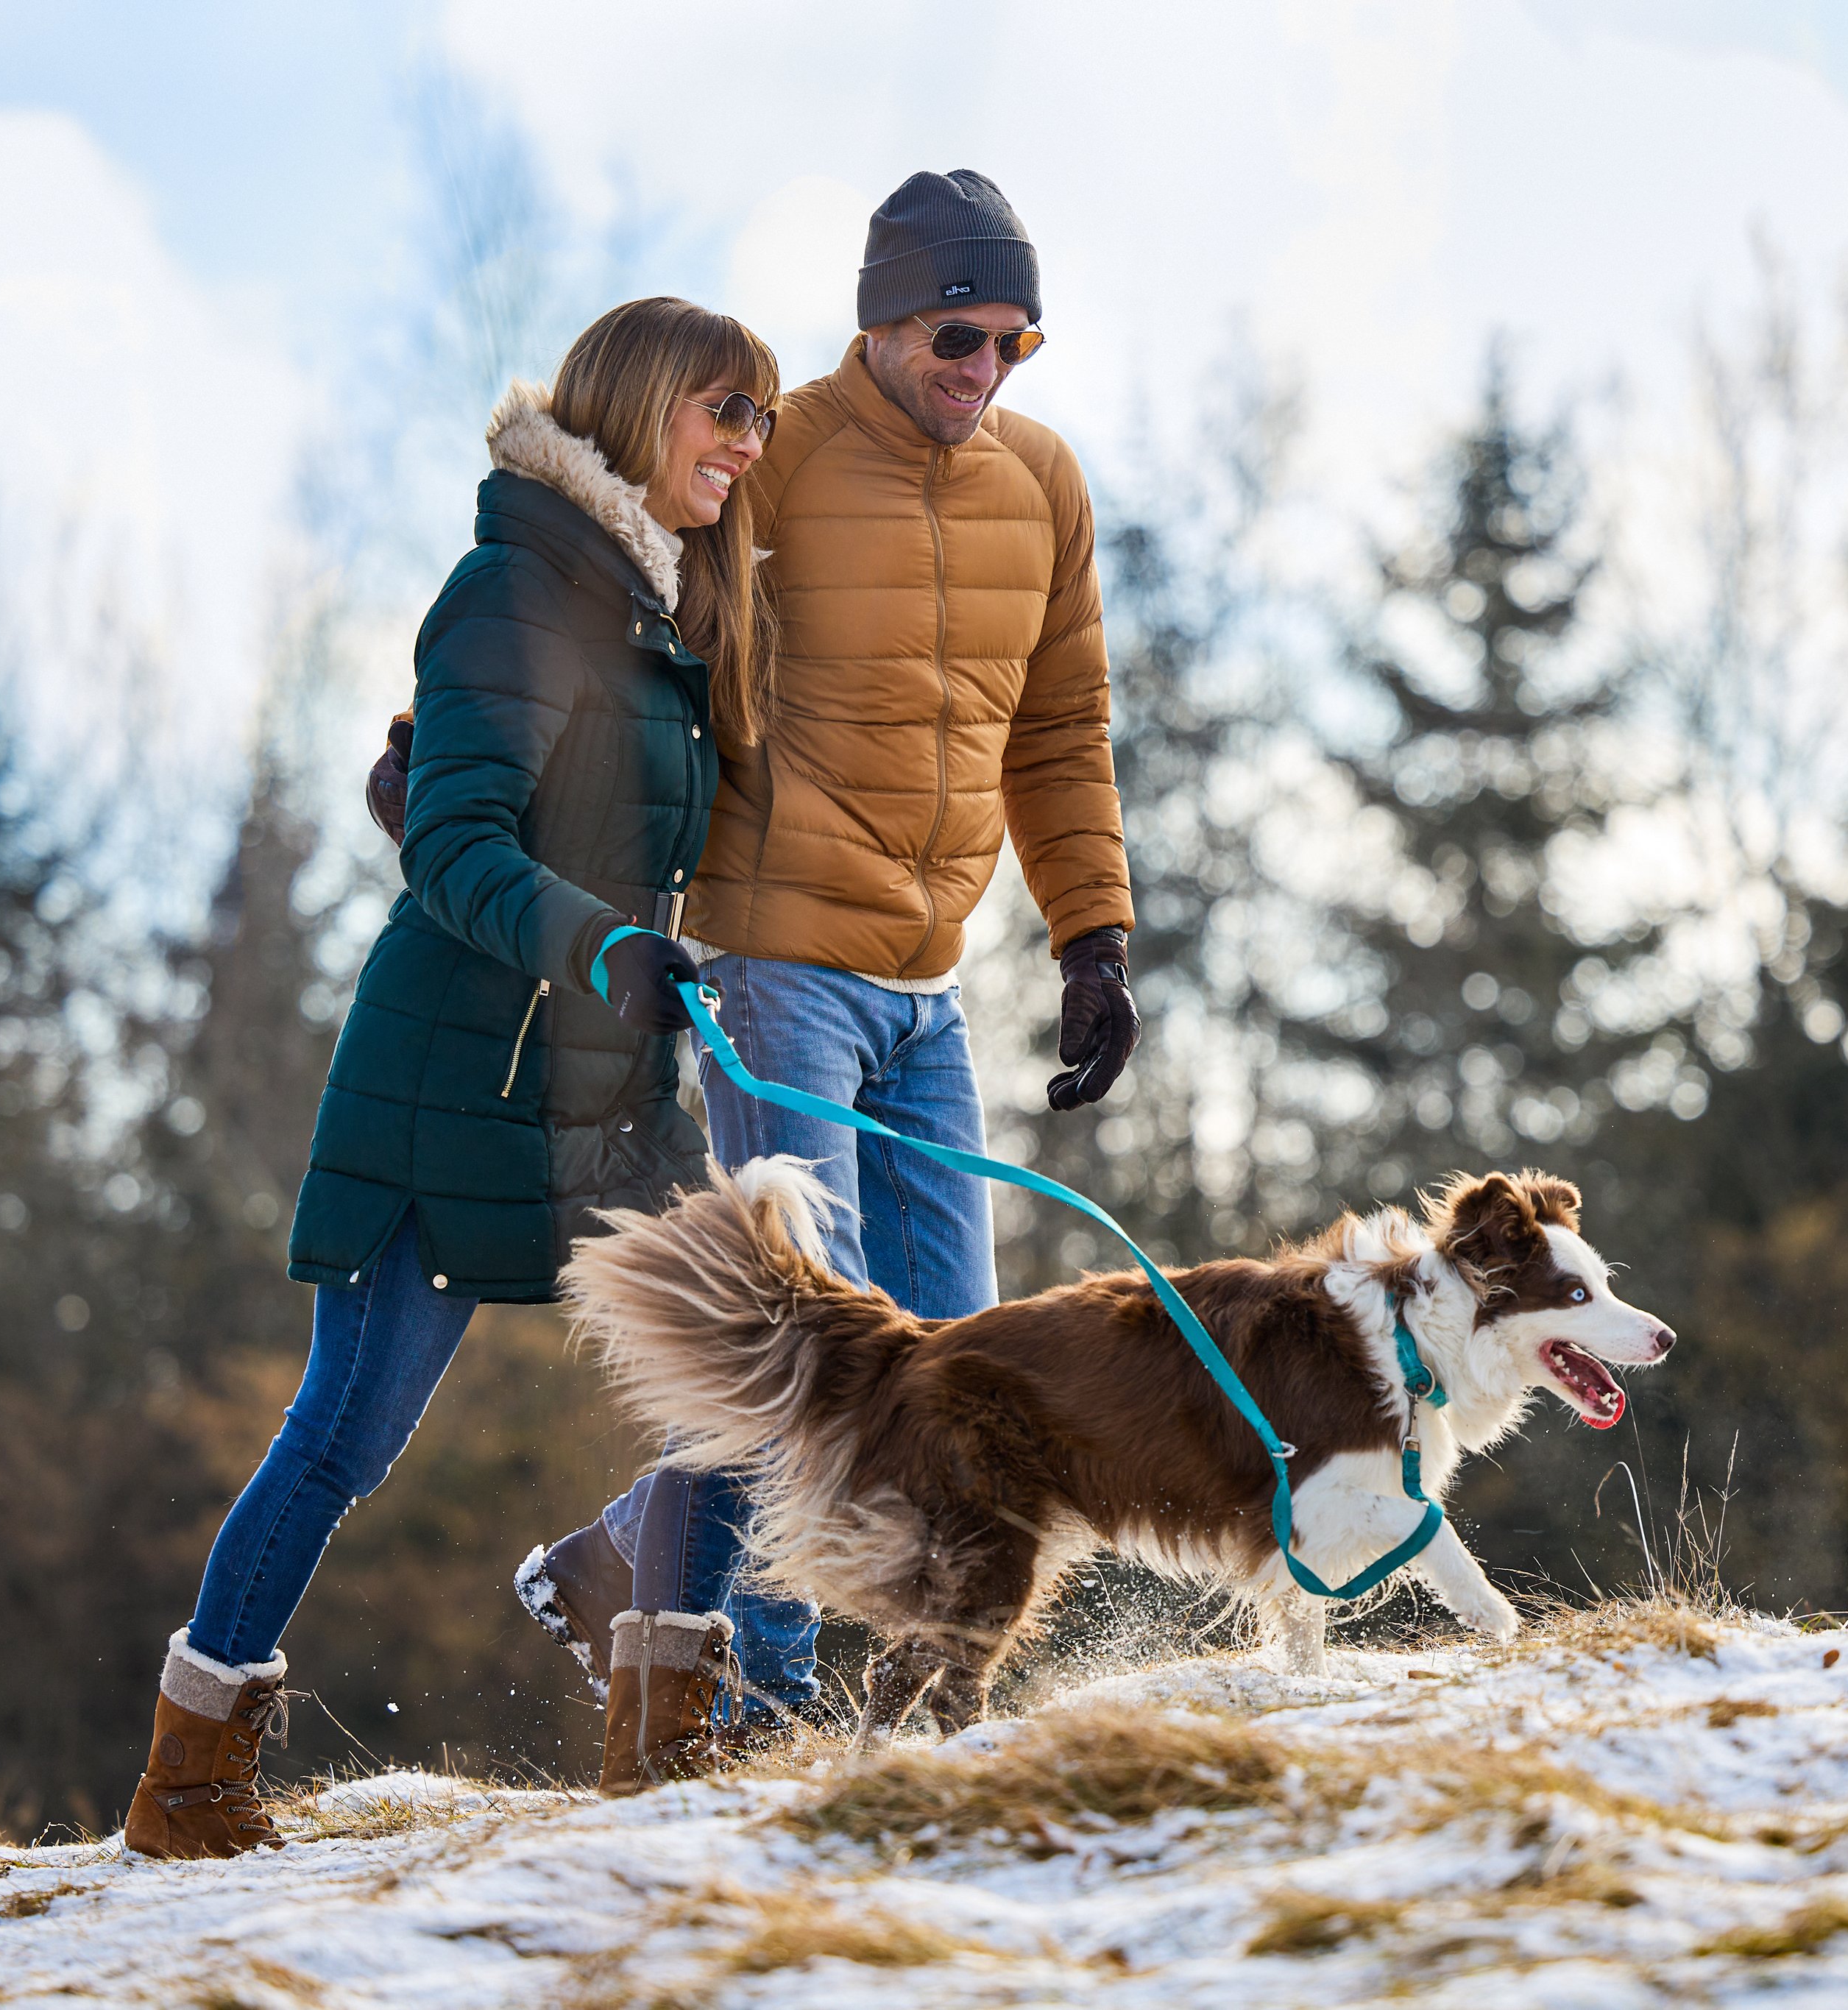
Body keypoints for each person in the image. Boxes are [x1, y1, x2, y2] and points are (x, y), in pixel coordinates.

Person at [118, 297, 779, 1860]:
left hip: (606, 1091)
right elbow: (455, 846)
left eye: (758, 419)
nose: (745, 445)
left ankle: (665, 1738)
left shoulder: (664, 614)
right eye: (720, 410)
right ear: (633, 411)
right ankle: (191, 1776)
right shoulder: (514, 591)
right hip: (451, 1084)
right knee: (347, 1430)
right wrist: (606, 942)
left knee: (750, 1373)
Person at [514, 170, 1141, 1789]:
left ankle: (643, 1571)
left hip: (928, 984)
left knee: (958, 1354)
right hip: (770, 945)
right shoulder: (772, 449)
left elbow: (1058, 727)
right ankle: (773, 1698)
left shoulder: (1043, 483)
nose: (984, 365)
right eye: (958, 330)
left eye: (1015, 339)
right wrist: (429, 747)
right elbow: (598, 594)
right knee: (820, 1341)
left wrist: (1090, 937)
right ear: (882, 315)